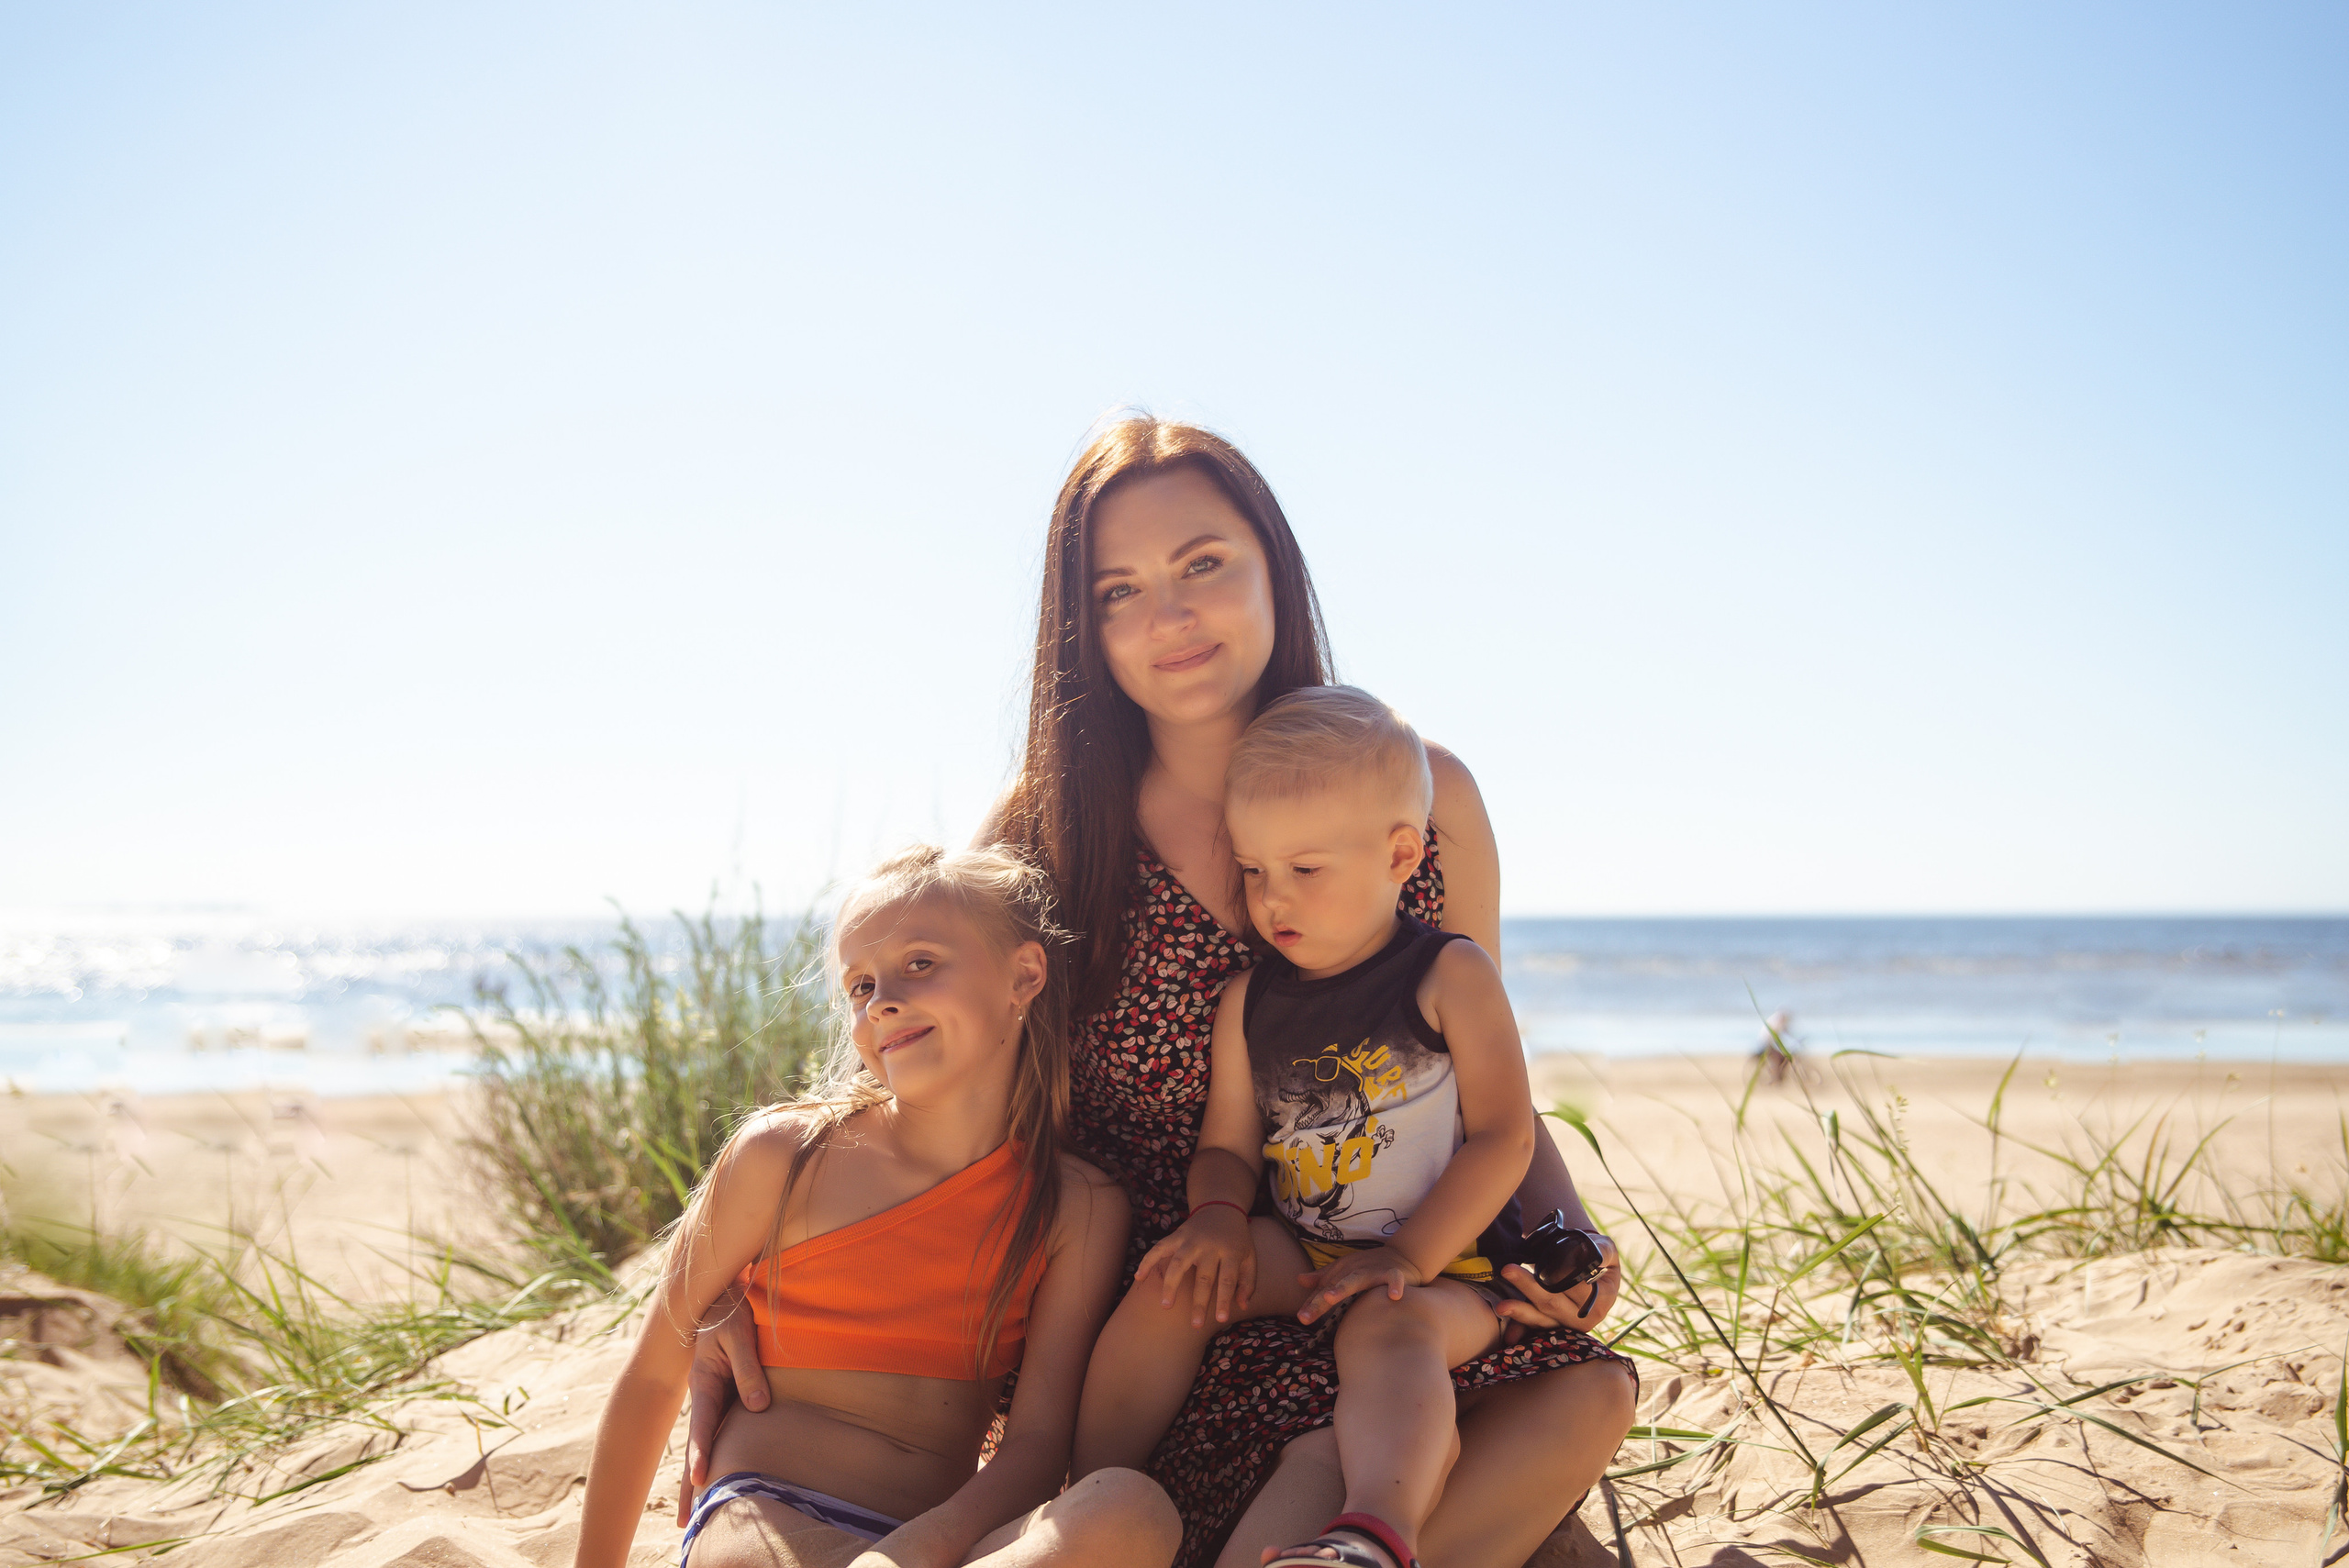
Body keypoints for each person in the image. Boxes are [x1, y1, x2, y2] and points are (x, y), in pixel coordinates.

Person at [685, 418, 1637, 1568]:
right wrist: (742, 1274)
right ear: (1081, 628)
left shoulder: (1425, 799)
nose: (1169, 618)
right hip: (1164, 1308)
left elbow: (1478, 1067)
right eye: (1119, 590)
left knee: (1579, 1397)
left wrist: (1560, 1231)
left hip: (1394, 1268)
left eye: (1202, 565)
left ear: (1272, 567)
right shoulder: (1043, 838)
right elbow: (911, 1080)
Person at [574, 845, 1176, 1568]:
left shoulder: (1074, 1206)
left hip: (937, 1544)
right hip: (769, 1516)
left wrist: (915, 1550)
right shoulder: (783, 1156)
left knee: (1130, 1509)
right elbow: (650, 1377)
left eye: (919, 962)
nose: (881, 999)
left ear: (1024, 975)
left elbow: (1040, 1445)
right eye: (860, 984)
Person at [1074, 686, 1543, 1568]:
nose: (1272, 899)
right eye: (1253, 871)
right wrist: (1215, 1216)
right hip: (1307, 1249)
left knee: (1389, 1329)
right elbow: (1226, 1144)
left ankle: (1372, 1533)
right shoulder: (1252, 1001)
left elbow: (1505, 1137)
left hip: (1451, 1267)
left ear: (1401, 853)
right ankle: (1083, 1492)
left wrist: (1409, 1260)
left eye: (1306, 869)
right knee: (1175, 1282)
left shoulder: (1447, 974)